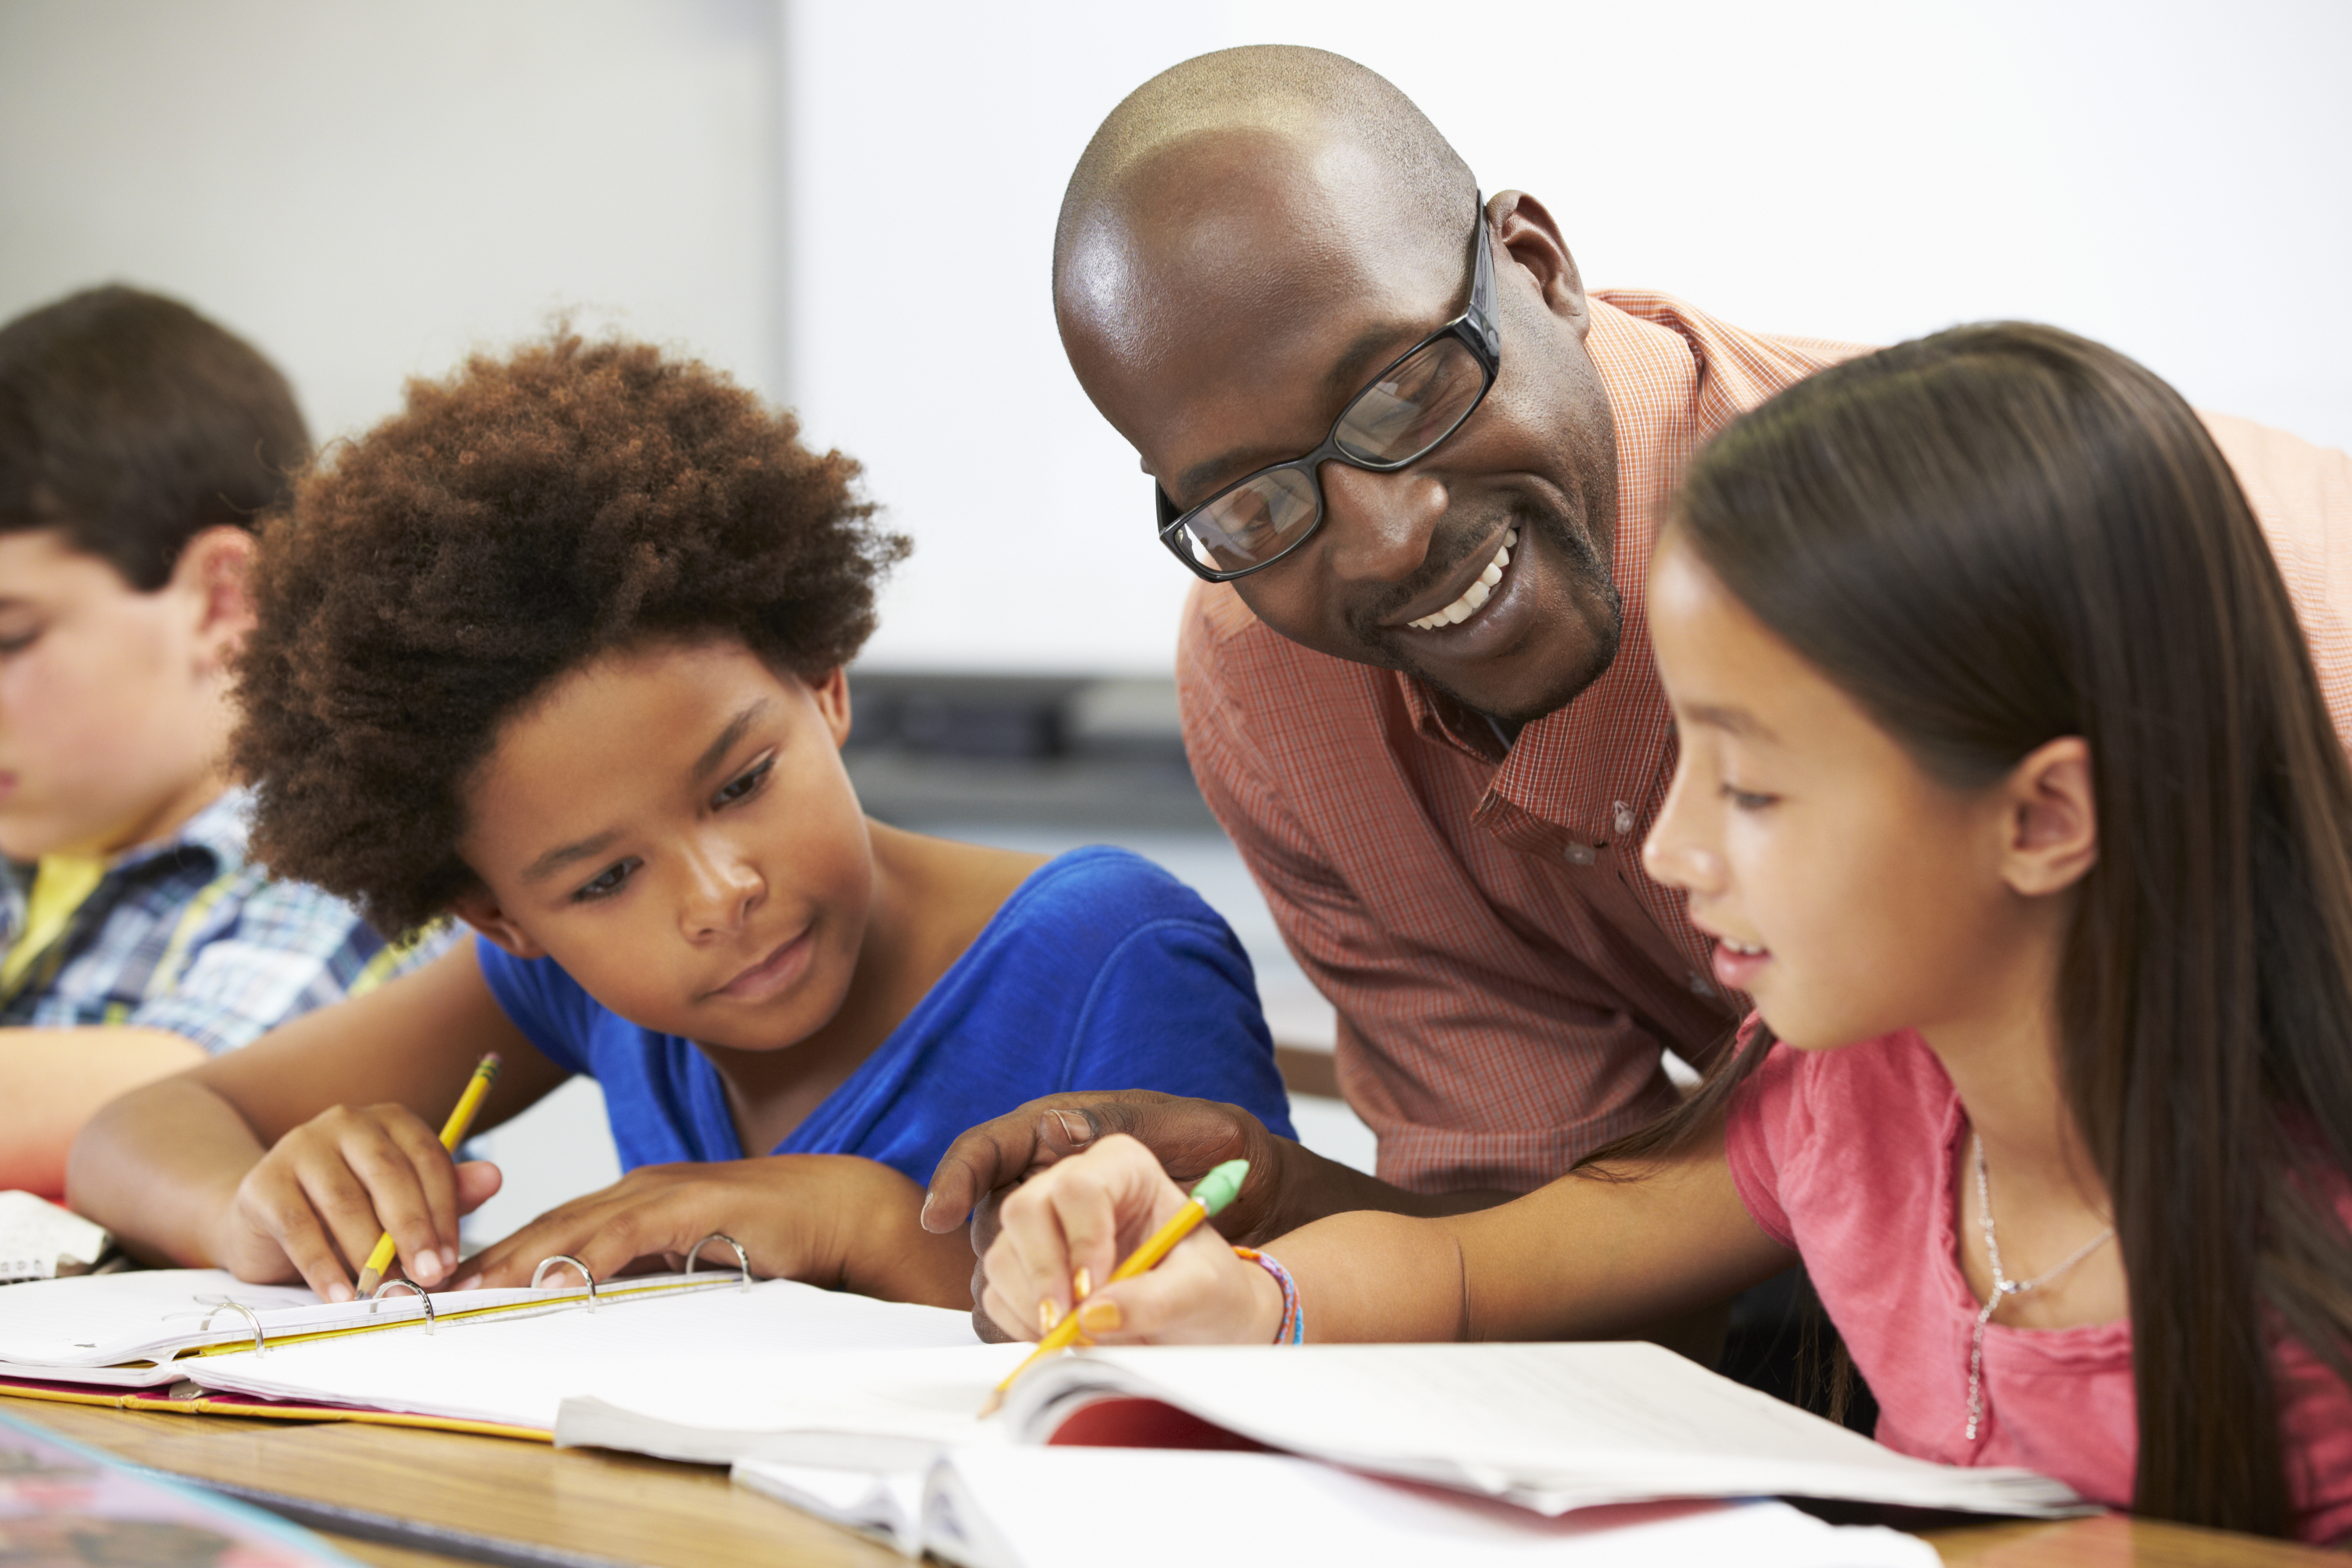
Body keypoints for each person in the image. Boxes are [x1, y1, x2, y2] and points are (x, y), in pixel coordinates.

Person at [921, 45, 2352, 1289]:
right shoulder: (1277, 686)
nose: (1386, 532)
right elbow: (1564, 1249)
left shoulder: (2072, 575)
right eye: (1251, 502)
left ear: (1540, 270)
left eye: (1410, 389)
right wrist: (1284, 1223)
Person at [976, 323, 2352, 1543]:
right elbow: (1478, 1266)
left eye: (1751, 786)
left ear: (2045, 816)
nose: (1674, 849)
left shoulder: (2310, 1211)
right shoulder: (1859, 1101)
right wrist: (1248, 1301)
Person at [68, 330, 1292, 1308]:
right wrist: (258, 1204)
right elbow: (136, 1130)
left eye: (742, 783)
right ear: (503, 915)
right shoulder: (565, 985)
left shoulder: (1110, 956)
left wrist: (853, 1224)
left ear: (825, 682)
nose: (718, 897)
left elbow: (1239, 1329)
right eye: (603, 881)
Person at [0, 286, 451, 1199]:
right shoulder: (38, 837)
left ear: (221, 601)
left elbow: (190, 1104)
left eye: (10, 638)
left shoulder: (354, 853)